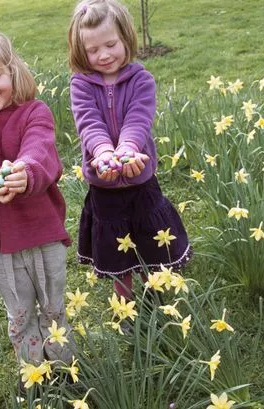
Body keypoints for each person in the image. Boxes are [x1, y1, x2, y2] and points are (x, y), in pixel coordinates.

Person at [0, 32, 75, 370]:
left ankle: (65, 366)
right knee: (19, 313)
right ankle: (33, 371)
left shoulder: (35, 111)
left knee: (53, 306)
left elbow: (40, 148)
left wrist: (25, 171)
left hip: (45, 231)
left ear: (13, 73)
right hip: (2, 243)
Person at [67, 0, 191, 301]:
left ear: (126, 38)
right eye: (92, 50)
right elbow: (89, 122)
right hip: (103, 181)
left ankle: (157, 296)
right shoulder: (81, 84)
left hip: (140, 178)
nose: (104, 55)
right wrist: (103, 154)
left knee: (150, 238)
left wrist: (126, 148)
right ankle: (124, 305)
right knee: (115, 246)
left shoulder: (141, 79)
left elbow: (139, 118)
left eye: (110, 44)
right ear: (80, 51)